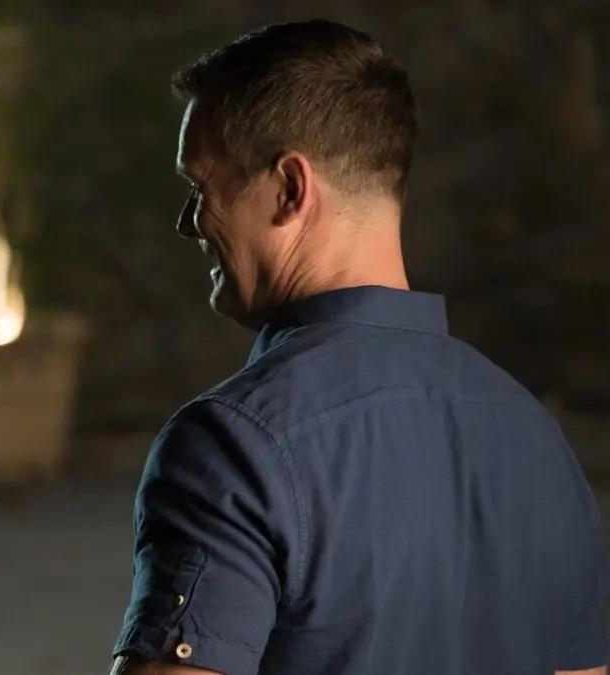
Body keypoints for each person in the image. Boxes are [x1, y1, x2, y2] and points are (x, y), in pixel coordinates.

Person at [110, 20, 607, 675]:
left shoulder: (234, 446)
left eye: (202, 188)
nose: (188, 222)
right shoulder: (537, 438)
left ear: (290, 189)